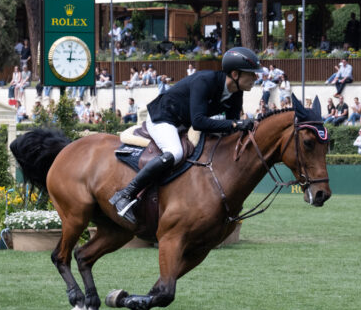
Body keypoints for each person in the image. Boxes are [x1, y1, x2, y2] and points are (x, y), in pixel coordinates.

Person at [108, 47, 260, 224]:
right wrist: (237, 123)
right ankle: (125, 194)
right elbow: (199, 122)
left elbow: (231, 126)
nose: (255, 78)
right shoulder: (205, 81)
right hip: (163, 117)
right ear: (235, 74)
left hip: (182, 124)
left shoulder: (236, 93)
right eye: (252, 74)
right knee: (175, 152)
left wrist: (245, 127)